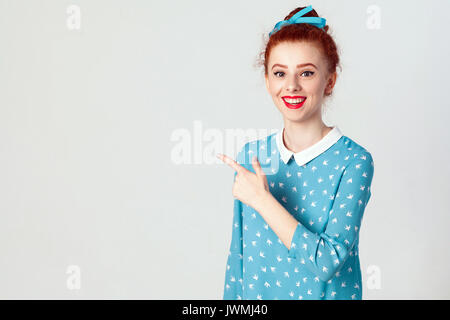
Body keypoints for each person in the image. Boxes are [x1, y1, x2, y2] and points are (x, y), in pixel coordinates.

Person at [217, 5, 374, 300]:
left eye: (306, 73)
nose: (291, 86)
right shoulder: (253, 154)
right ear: (267, 81)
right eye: (280, 73)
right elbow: (238, 263)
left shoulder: (353, 162)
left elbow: (326, 261)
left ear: (329, 81)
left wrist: (263, 201)